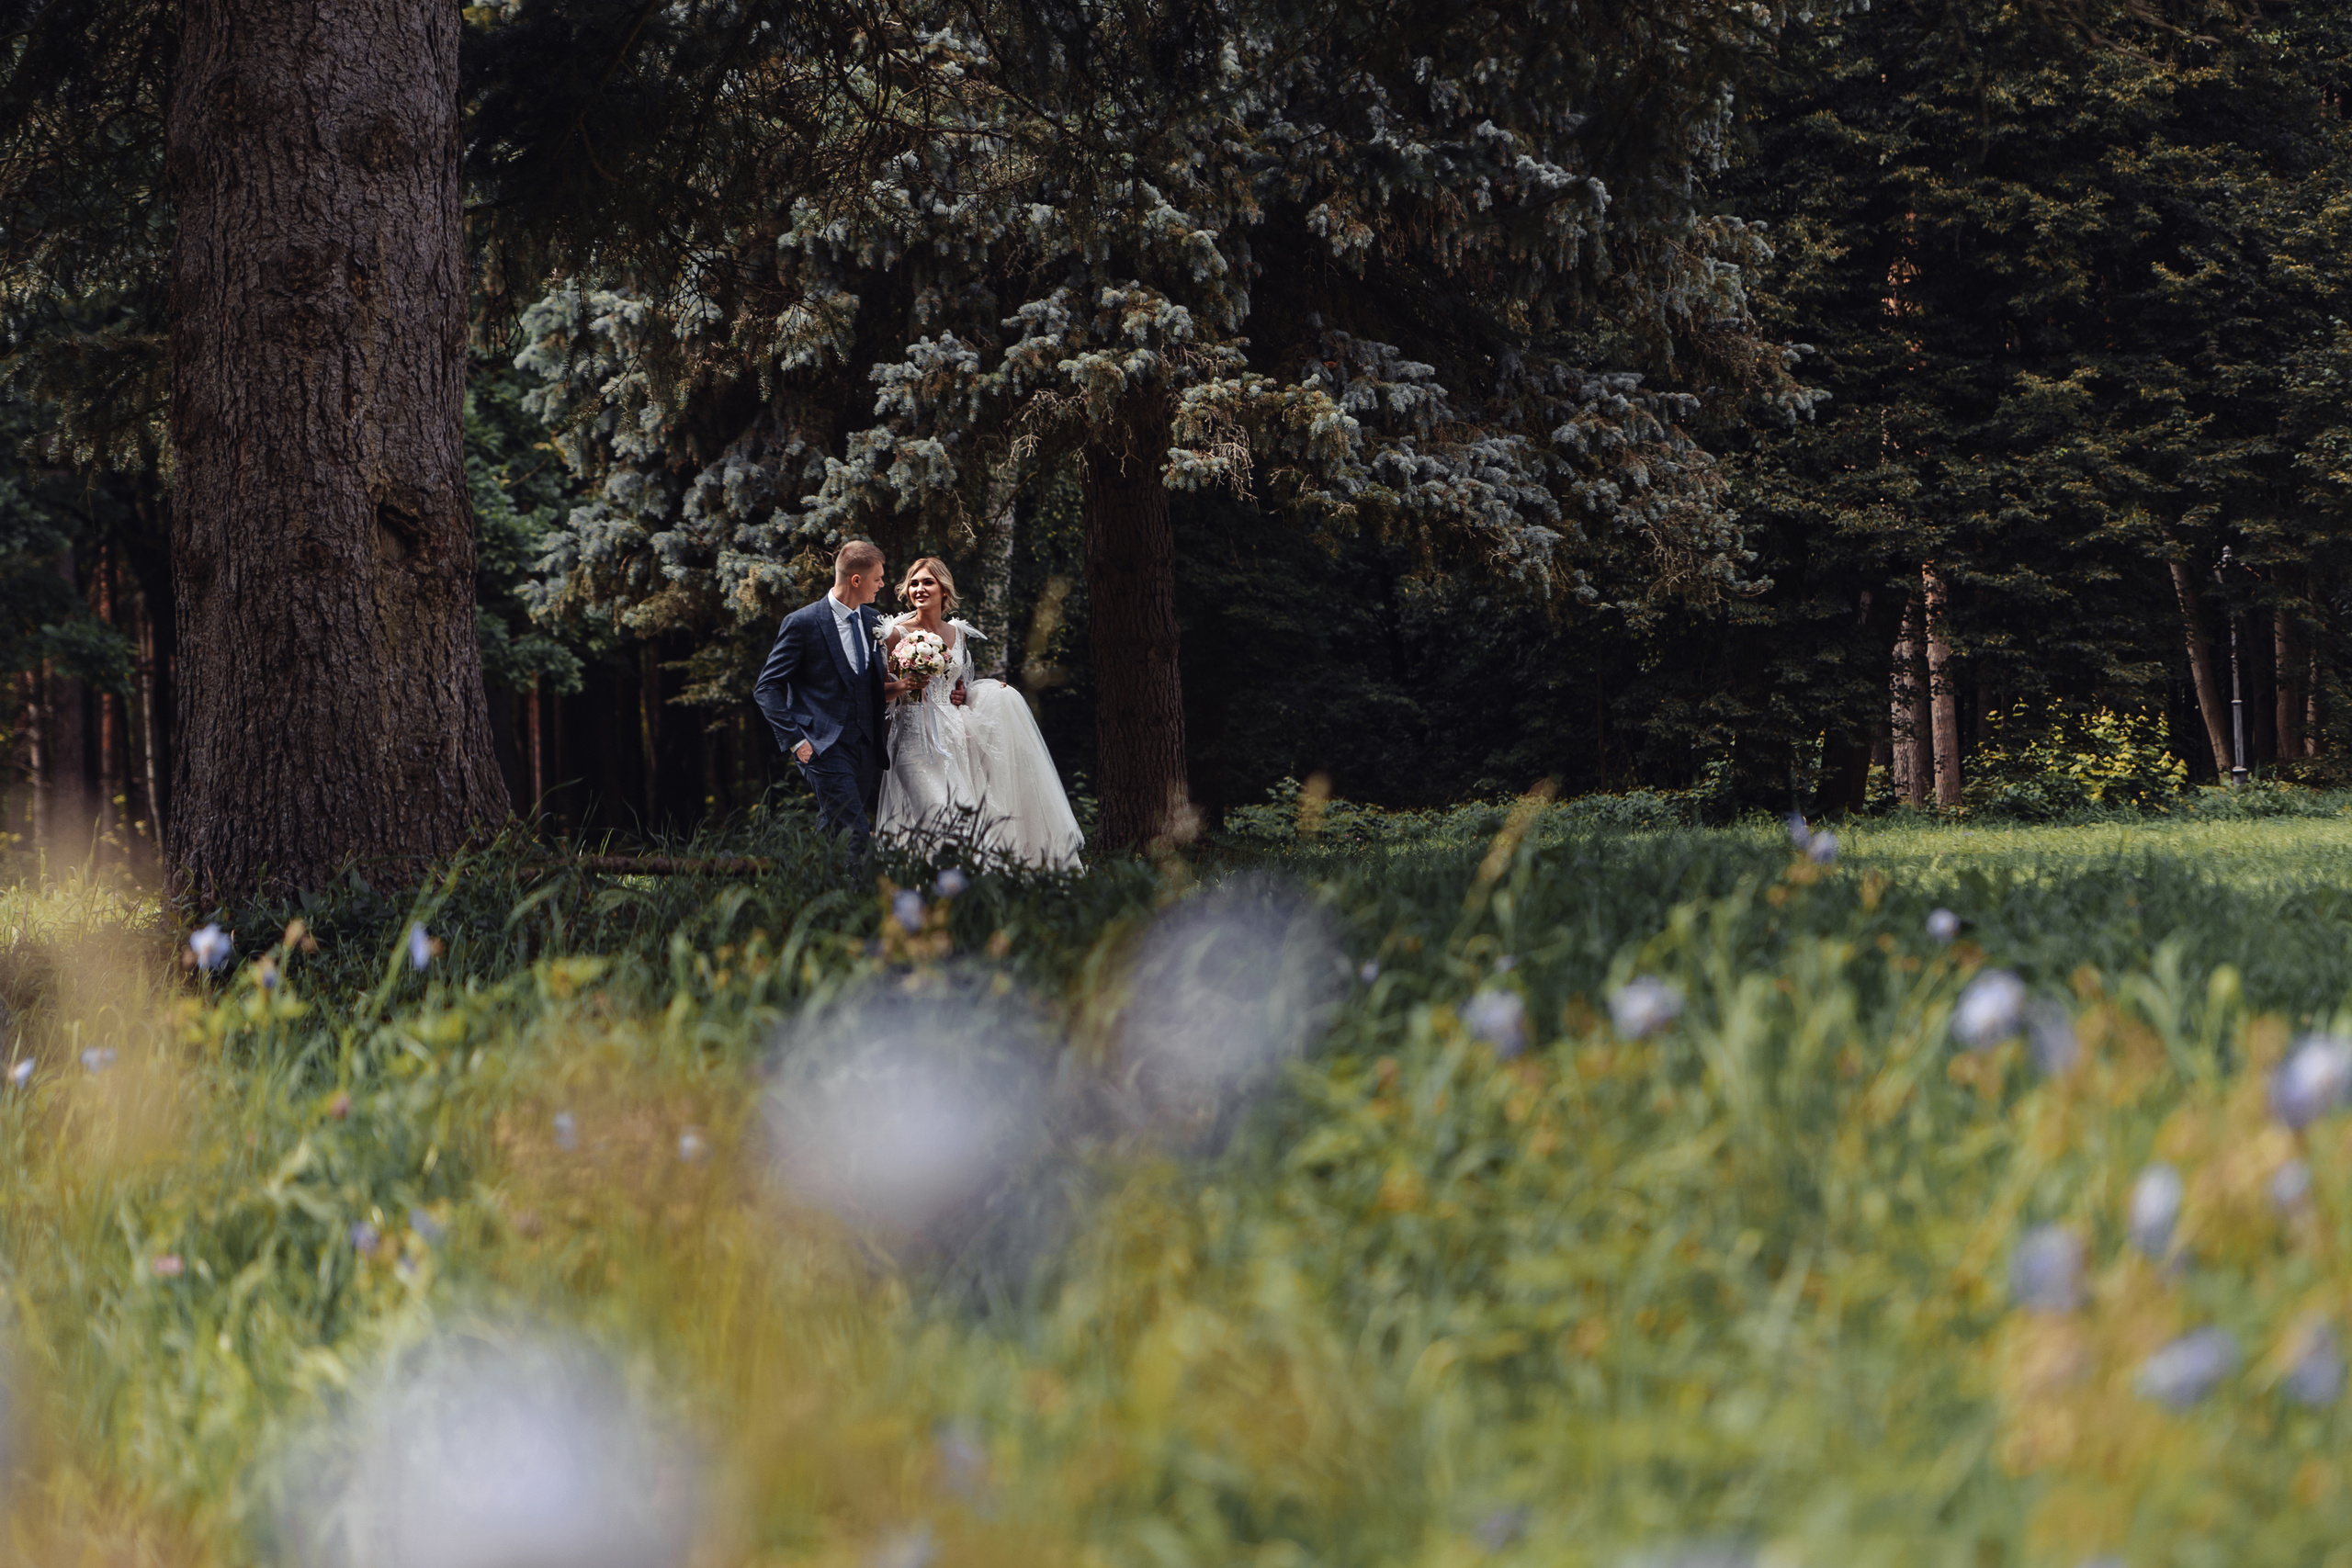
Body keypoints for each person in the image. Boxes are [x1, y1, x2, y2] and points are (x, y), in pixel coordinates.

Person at [875, 557, 1084, 869]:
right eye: (914, 583)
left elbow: (959, 683)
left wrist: (970, 692)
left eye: (927, 582)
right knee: (939, 818)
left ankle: (952, 897)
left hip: (958, 741)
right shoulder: (895, 633)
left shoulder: (957, 634)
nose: (919, 589)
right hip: (913, 740)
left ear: (944, 590)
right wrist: (906, 684)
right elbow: (876, 692)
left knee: (966, 817)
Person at [753, 540, 905, 847]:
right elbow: (767, 687)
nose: (882, 584)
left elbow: (868, 684)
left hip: (864, 745)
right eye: (877, 578)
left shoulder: (873, 621)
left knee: (836, 826)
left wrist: (908, 684)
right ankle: (867, 893)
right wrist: (796, 741)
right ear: (856, 580)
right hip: (822, 746)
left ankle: (801, 883)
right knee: (856, 834)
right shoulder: (803, 623)